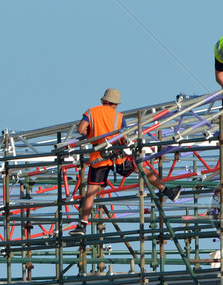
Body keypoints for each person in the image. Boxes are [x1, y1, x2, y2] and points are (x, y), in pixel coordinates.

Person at [70, 88, 176, 239]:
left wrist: (93, 135)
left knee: (91, 192)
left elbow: (81, 130)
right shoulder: (119, 116)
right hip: (117, 157)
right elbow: (123, 137)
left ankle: (82, 224)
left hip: (98, 159)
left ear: (103, 100)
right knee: (141, 169)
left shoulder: (91, 112)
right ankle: (166, 190)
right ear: (115, 104)